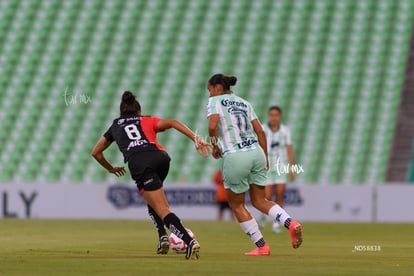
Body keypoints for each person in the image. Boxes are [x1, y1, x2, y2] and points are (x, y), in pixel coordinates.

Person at [91, 91, 207, 260]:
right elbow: (173, 122)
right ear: (138, 111)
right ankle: (163, 237)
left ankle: (189, 242)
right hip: (161, 158)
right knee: (152, 200)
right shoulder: (145, 119)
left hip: (139, 163)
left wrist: (111, 168)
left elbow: (96, 153)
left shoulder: (116, 125)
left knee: (163, 209)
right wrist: (195, 138)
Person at [206, 74, 303, 256]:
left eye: (209, 89)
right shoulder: (244, 103)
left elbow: (212, 126)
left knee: (237, 205)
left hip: (235, 156)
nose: (209, 94)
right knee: (260, 200)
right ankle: (291, 223)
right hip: (256, 152)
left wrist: (215, 146)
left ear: (217, 87)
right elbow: (260, 131)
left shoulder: (215, 101)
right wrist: (265, 156)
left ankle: (262, 246)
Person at [258, 106, 296, 233]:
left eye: (276, 115)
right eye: (271, 115)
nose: (274, 117)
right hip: (267, 166)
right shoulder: (263, 129)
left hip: (281, 167)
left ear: (280, 116)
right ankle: (263, 216)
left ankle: (276, 223)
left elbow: (289, 149)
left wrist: (292, 167)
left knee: (279, 194)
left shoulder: (285, 131)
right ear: (269, 116)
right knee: (267, 196)